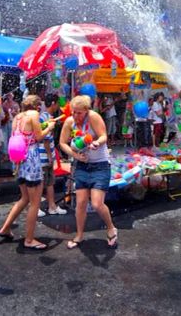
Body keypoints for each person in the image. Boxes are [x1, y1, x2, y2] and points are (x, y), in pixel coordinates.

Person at [59, 95, 118, 250]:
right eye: (73, 112)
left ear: (86, 111)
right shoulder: (69, 122)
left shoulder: (93, 117)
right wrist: (75, 155)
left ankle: (111, 228)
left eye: (79, 113)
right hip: (82, 167)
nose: (75, 116)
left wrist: (97, 143)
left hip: (100, 165)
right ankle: (79, 235)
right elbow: (62, 143)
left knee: (97, 203)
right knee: (80, 203)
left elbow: (104, 135)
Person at [0, 95, 56, 249]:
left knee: (24, 198)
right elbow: (38, 137)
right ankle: (29, 240)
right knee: (34, 203)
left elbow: (22, 136)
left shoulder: (18, 117)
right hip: (31, 159)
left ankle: (5, 228)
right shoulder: (34, 115)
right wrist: (49, 127)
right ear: (37, 106)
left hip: (19, 160)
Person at [39, 94, 67, 216]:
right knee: (41, 183)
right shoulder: (45, 118)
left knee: (50, 182)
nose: (58, 107)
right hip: (43, 156)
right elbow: (45, 138)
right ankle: (37, 207)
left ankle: (52, 206)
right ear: (53, 103)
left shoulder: (47, 116)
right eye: (57, 104)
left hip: (47, 155)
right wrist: (50, 156)